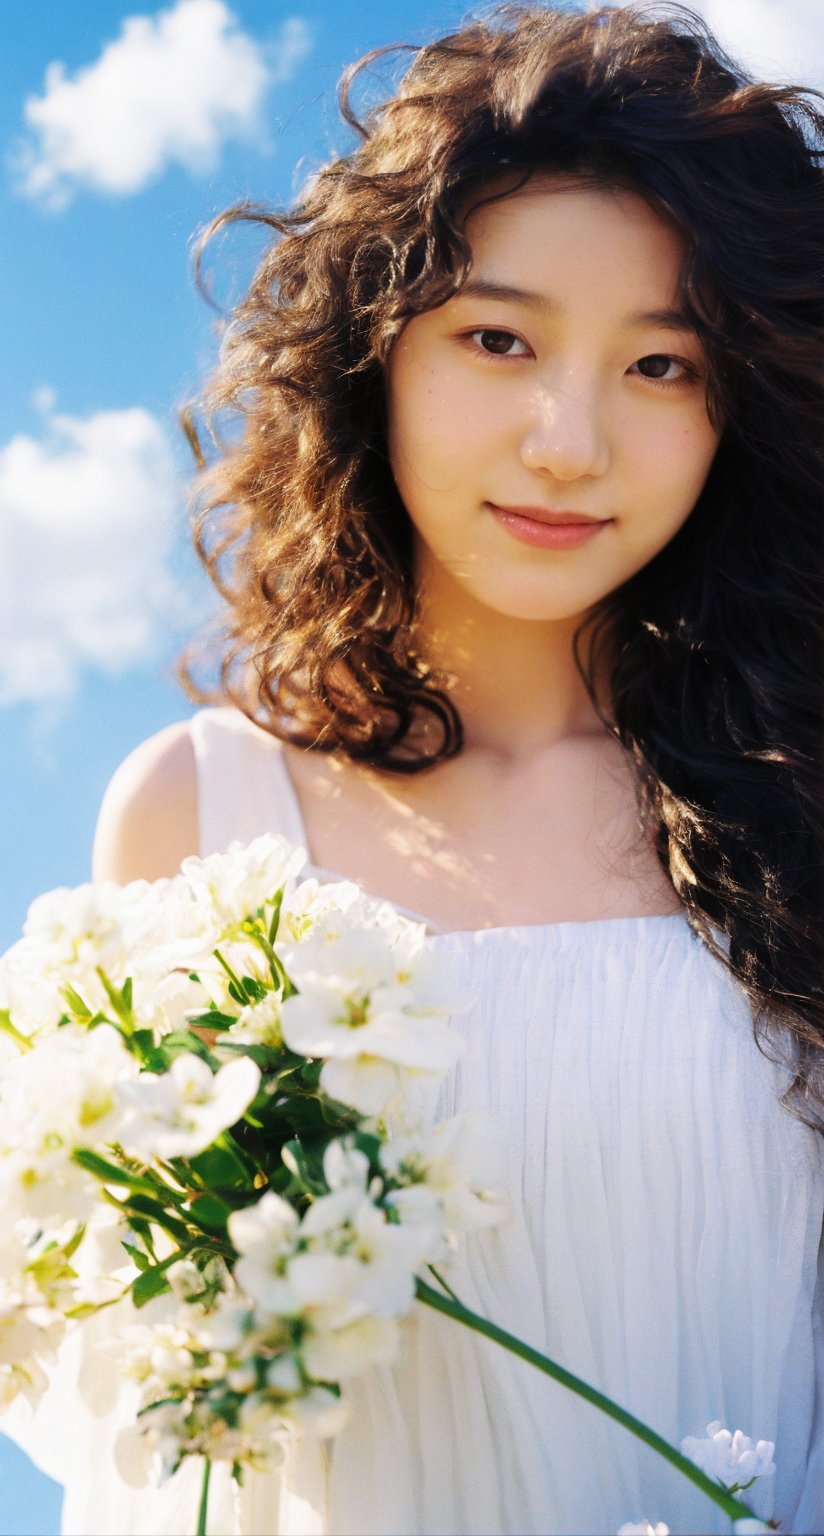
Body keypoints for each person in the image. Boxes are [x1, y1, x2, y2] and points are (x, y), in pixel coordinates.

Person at [11, 3, 824, 1532]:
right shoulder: (199, 814)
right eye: (498, 339)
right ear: (372, 355)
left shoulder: (805, 791)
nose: (568, 440)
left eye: (664, 364)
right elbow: (171, 1425)